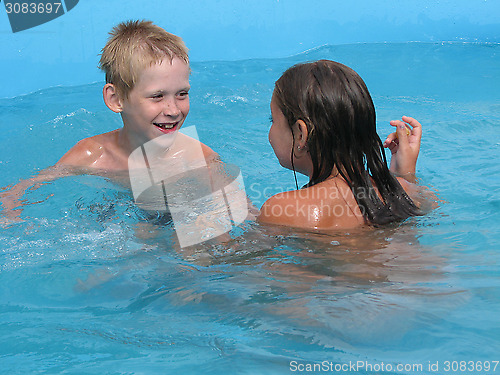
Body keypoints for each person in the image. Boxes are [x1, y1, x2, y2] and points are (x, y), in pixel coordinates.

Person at [1, 20, 218, 221]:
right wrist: (12, 202)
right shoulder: (92, 154)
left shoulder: (198, 157)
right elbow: (29, 186)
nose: (173, 110)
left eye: (182, 94)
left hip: (175, 219)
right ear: (115, 99)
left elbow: (242, 213)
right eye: (157, 96)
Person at [258, 60, 426, 229]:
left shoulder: (284, 210)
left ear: (301, 135)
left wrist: (231, 202)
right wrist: (405, 176)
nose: (271, 130)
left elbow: (242, 252)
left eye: (273, 120)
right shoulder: (407, 192)